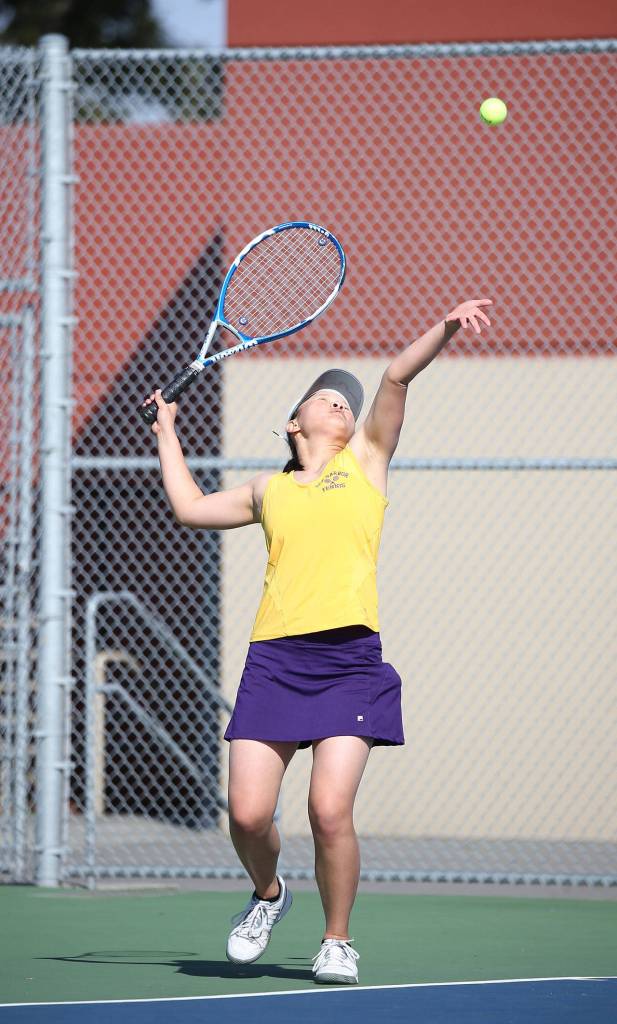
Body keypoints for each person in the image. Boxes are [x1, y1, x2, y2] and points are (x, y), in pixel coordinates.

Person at [143, 297, 492, 985]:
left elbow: (393, 378)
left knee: (328, 810)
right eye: (327, 399)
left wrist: (446, 327)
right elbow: (187, 508)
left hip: (349, 662)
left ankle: (337, 940)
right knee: (245, 816)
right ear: (293, 421)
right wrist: (166, 429)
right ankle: (269, 895)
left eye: (345, 404)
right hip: (275, 662)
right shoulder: (266, 491)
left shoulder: (366, 460)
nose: (341, 406)